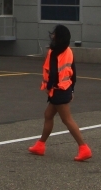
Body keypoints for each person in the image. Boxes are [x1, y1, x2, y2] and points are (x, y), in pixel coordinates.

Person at [28, 24, 92, 161]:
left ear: (58, 37)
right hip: (65, 88)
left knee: (67, 119)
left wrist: (48, 87)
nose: (52, 35)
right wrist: (72, 89)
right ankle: (40, 145)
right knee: (48, 115)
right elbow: (73, 73)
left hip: (58, 90)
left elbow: (54, 73)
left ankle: (83, 147)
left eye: (54, 34)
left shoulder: (54, 52)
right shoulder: (68, 51)